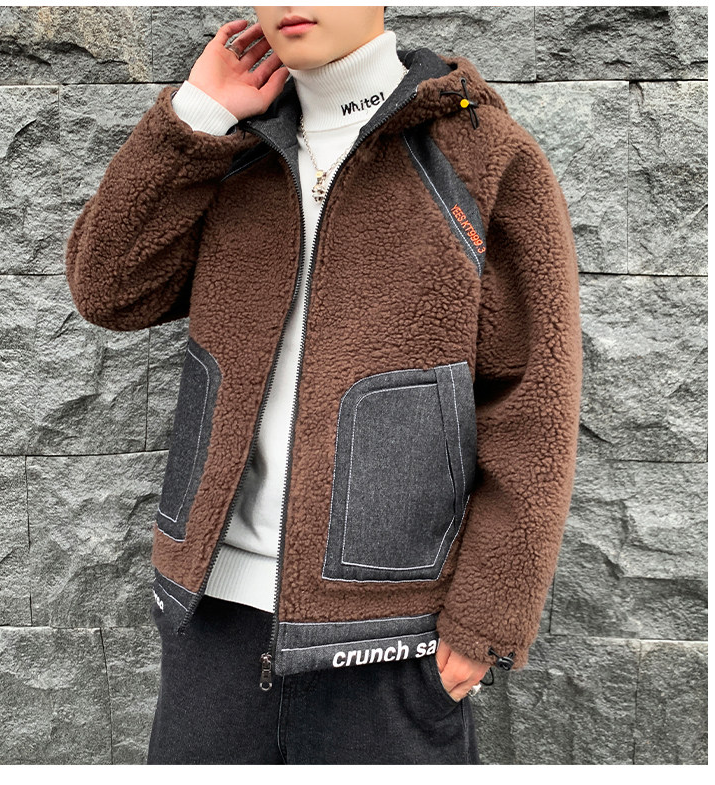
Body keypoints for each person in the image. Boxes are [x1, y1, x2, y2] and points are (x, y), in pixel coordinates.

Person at [65, 5, 582, 766]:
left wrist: (486, 618)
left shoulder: (479, 154)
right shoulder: (233, 144)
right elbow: (109, 290)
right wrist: (198, 113)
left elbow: (533, 402)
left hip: (394, 637)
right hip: (214, 614)